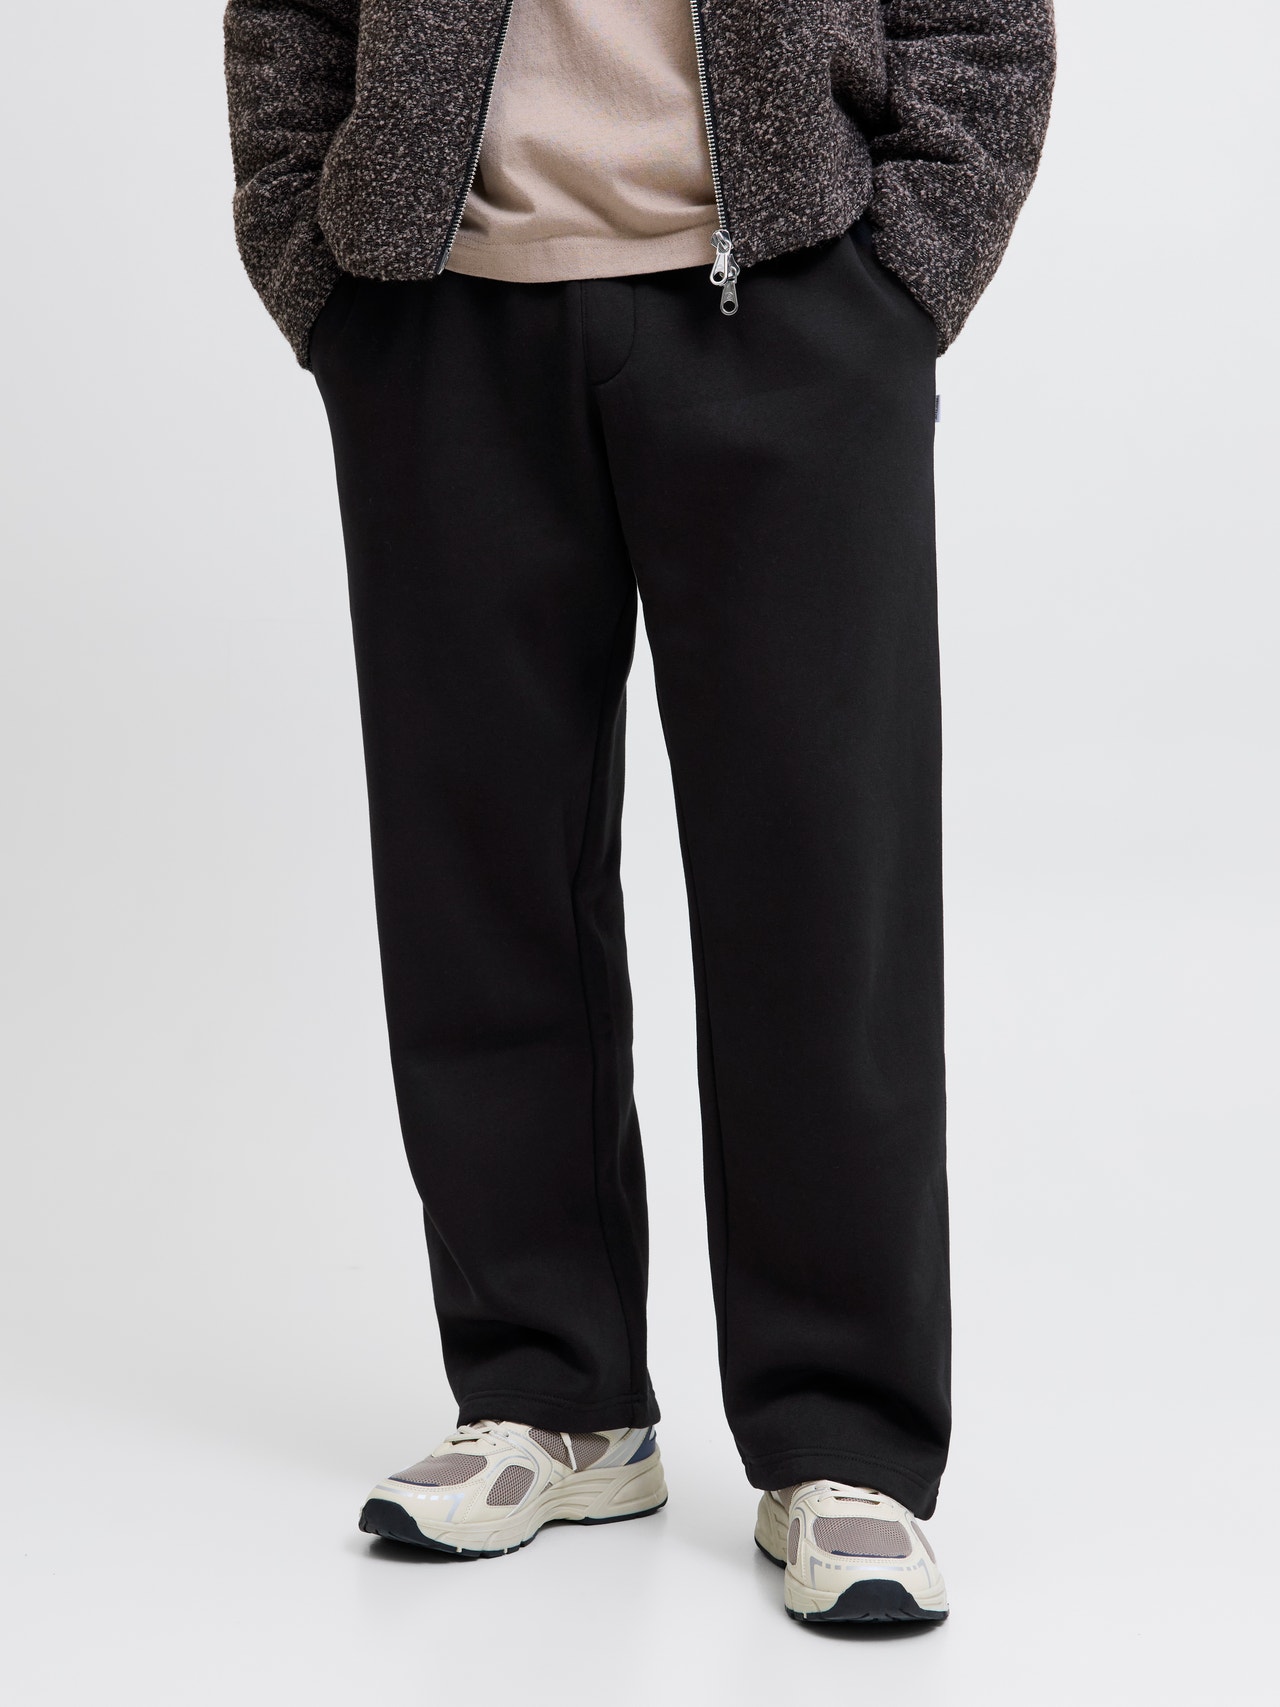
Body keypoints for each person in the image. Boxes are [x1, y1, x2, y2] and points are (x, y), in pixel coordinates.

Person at [224, 0, 1054, 1624]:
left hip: (793, 304)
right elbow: (287, 20)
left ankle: (844, 1442)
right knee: (480, 879)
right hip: (437, 319)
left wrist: (901, 278)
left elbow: (981, 24)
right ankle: (552, 1393)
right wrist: (316, 261)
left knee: (822, 893)